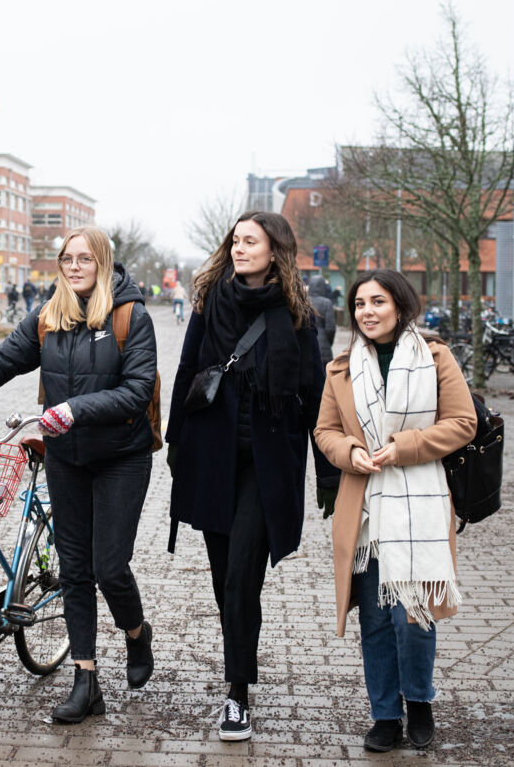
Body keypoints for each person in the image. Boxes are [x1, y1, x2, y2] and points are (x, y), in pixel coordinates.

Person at [0, 225, 158, 724]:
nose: (74, 266)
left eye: (84, 258)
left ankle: (135, 632)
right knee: (74, 568)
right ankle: (86, 681)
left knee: (109, 567)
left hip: (121, 456)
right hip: (66, 455)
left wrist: (75, 409)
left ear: (102, 262)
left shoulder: (131, 317)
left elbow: (138, 390)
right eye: (67, 258)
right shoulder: (47, 317)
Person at [165, 210, 336, 742]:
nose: (239, 249)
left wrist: (327, 470)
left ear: (274, 250)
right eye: (235, 241)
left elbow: (314, 398)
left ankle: (237, 692)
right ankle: (240, 658)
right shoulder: (209, 302)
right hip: (213, 461)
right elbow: (187, 371)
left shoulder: (298, 313)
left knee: (242, 575)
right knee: (226, 583)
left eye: (250, 242)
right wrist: (176, 447)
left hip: (266, 469)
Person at [313, 270, 475, 752]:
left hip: (420, 500)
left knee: (412, 612)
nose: (367, 311)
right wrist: (350, 452)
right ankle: (384, 714)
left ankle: (420, 701)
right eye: (359, 303)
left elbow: (463, 422)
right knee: (377, 620)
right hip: (365, 508)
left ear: (401, 307)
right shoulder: (340, 368)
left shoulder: (436, 356)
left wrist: (403, 447)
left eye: (377, 301)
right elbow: (324, 433)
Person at [308, 276, 337, 364]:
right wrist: (329, 343)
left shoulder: (303, 301)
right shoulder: (326, 303)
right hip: (323, 348)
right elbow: (330, 328)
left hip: (305, 346)